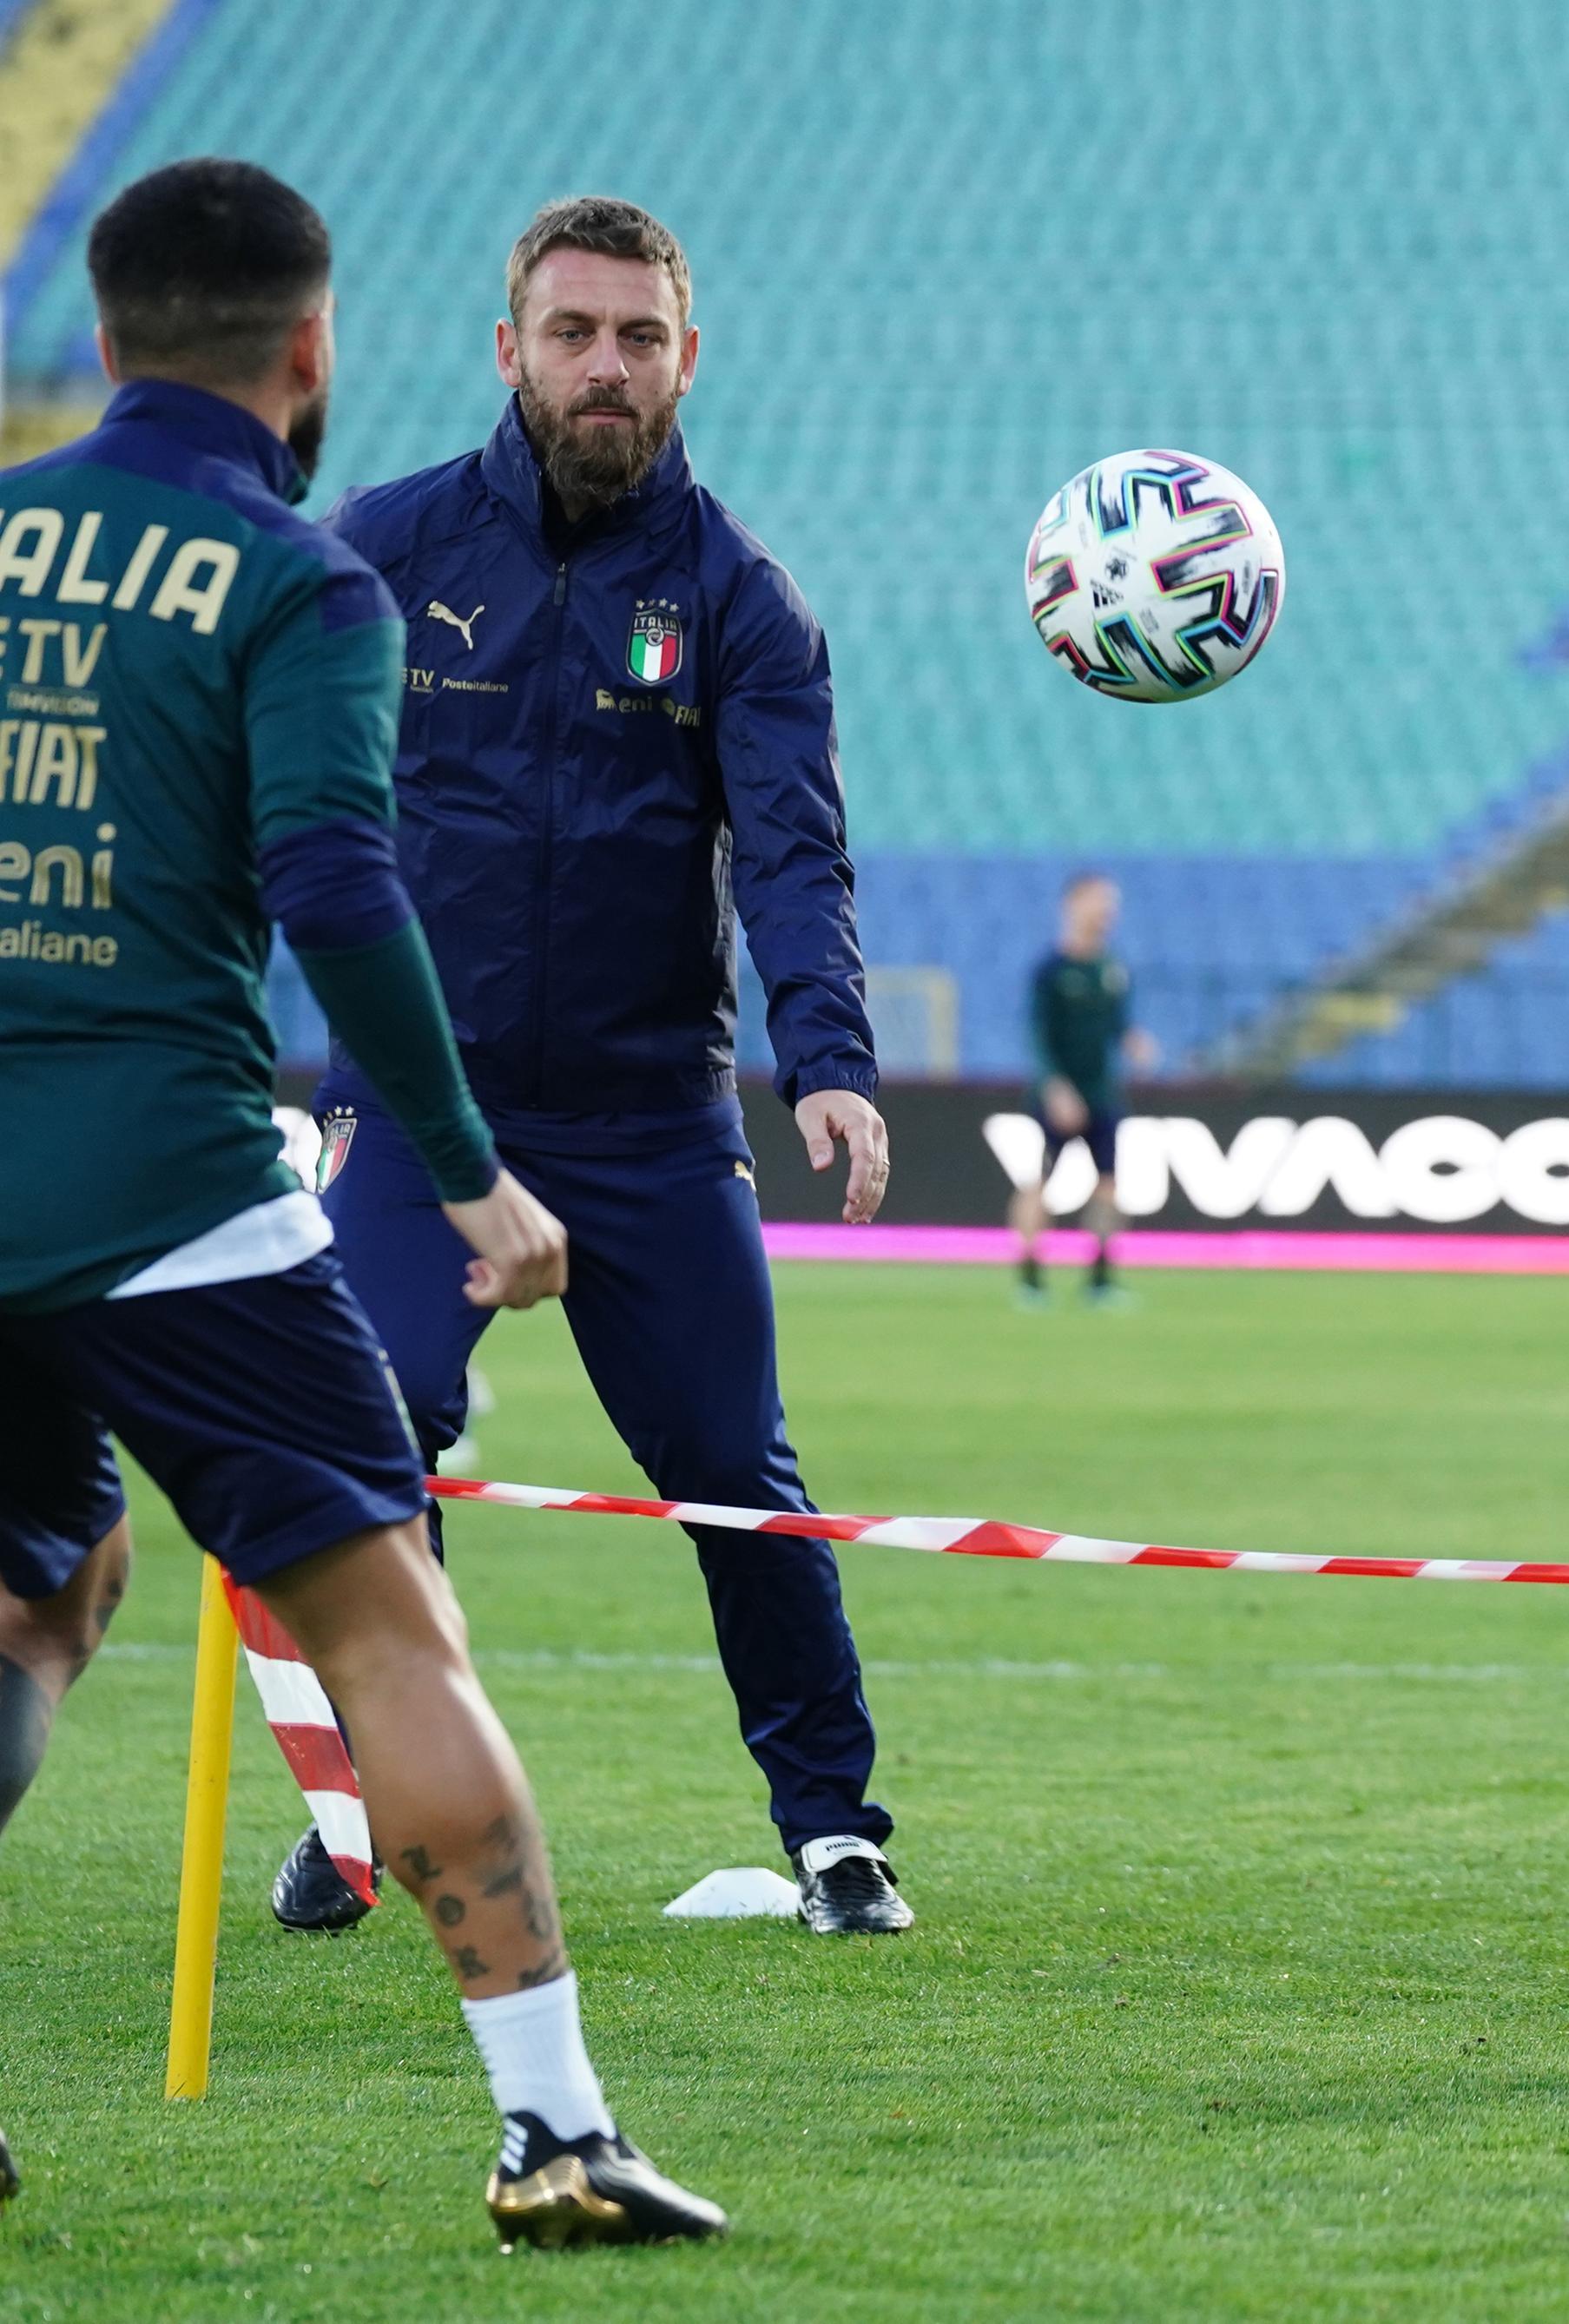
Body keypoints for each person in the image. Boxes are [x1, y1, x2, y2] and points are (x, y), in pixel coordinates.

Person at [0, 158, 720, 2242]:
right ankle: (552, 2131)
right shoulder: (297, 581)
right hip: (172, 1193)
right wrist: (472, 1175)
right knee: (390, 1623)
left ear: (107, 339)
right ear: (312, 350)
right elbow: (334, 883)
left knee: (49, 1592)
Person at [265, 195, 913, 1939]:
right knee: (370, 1435)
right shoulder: (382, 549)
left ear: (687, 358)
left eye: (638, 336)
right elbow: (275, 798)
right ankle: (373, 1807)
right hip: (423, 1108)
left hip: (650, 1122)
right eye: (573, 333)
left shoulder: (743, 599)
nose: (605, 366)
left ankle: (836, 1831)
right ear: (512, 351)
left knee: (737, 1477)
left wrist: (828, 1059)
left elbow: (793, 853)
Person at [1014, 872, 1158, 1308]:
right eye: (1099, 901)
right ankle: (1030, 1279)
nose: (1107, 912)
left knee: (1109, 1186)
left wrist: (1133, 1041)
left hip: (1102, 1093)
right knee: (1040, 1183)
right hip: (1057, 1094)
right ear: (1073, 904)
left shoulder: (1111, 968)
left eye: (1111, 904)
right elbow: (1037, 1036)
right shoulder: (1051, 970)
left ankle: (1100, 1279)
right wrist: (1055, 1087)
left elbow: (1118, 1024)